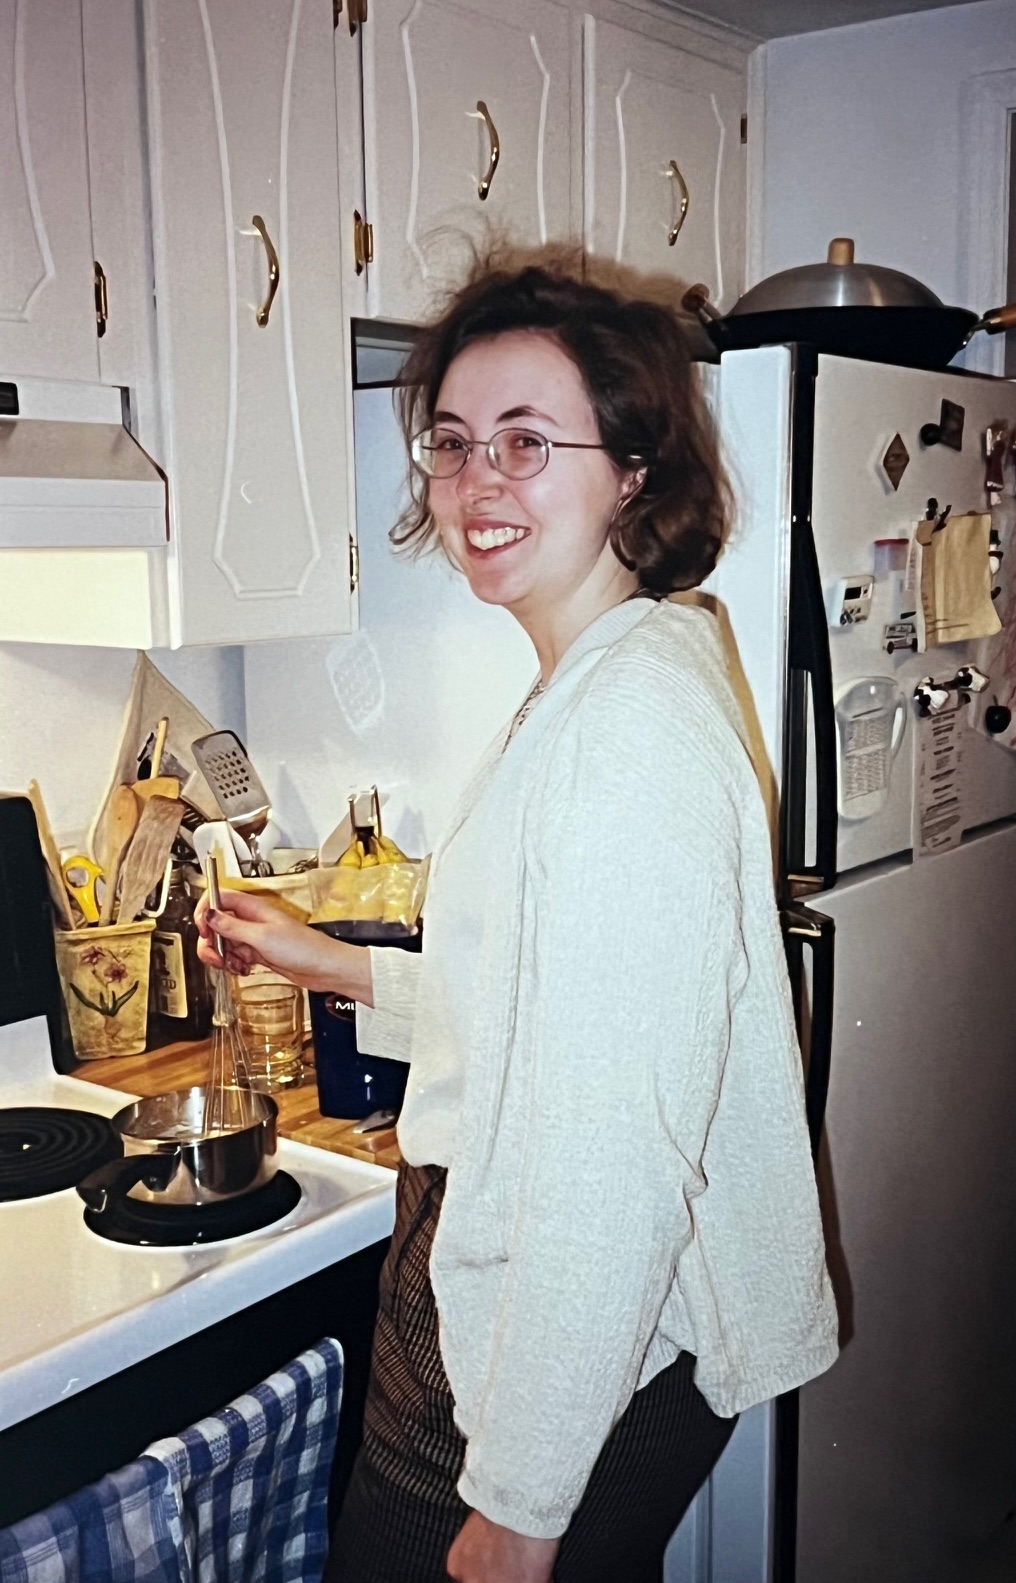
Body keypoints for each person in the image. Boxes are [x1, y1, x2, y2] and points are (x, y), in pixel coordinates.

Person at [197, 261, 838, 1583]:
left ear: (633, 473)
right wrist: (325, 959)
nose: (477, 481)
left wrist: (525, 1504)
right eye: (452, 442)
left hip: (549, 1361)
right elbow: (556, 1011)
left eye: (528, 442)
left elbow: (610, 1146)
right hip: (582, 1335)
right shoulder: (621, 667)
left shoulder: (621, 732)